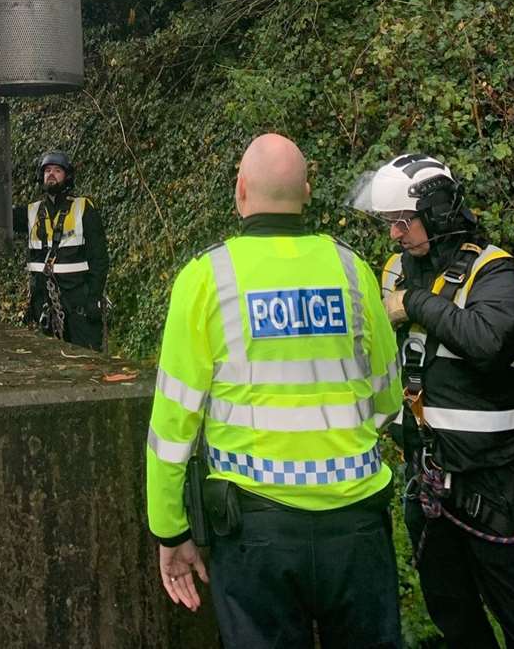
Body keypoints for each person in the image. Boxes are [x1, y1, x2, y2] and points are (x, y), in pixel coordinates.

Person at [146, 133, 403, 648]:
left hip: (253, 533)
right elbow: (387, 400)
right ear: (306, 191)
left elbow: (174, 426)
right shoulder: (352, 270)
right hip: (356, 529)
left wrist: (170, 531)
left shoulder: (204, 279)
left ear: (240, 192)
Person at [350, 153, 514, 649]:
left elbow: (490, 342)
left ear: (439, 212)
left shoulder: (497, 273)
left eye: (401, 222)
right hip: (428, 479)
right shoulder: (396, 270)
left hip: (493, 483)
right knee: (453, 614)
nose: (394, 235)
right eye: (388, 224)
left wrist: (417, 303)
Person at [11, 150, 108, 350]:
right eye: (47, 170)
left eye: (57, 170)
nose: (51, 174)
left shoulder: (83, 208)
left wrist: (94, 297)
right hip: (44, 301)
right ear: (41, 176)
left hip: (78, 301)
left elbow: (99, 258)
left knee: (85, 360)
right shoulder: (32, 212)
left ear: (67, 176)